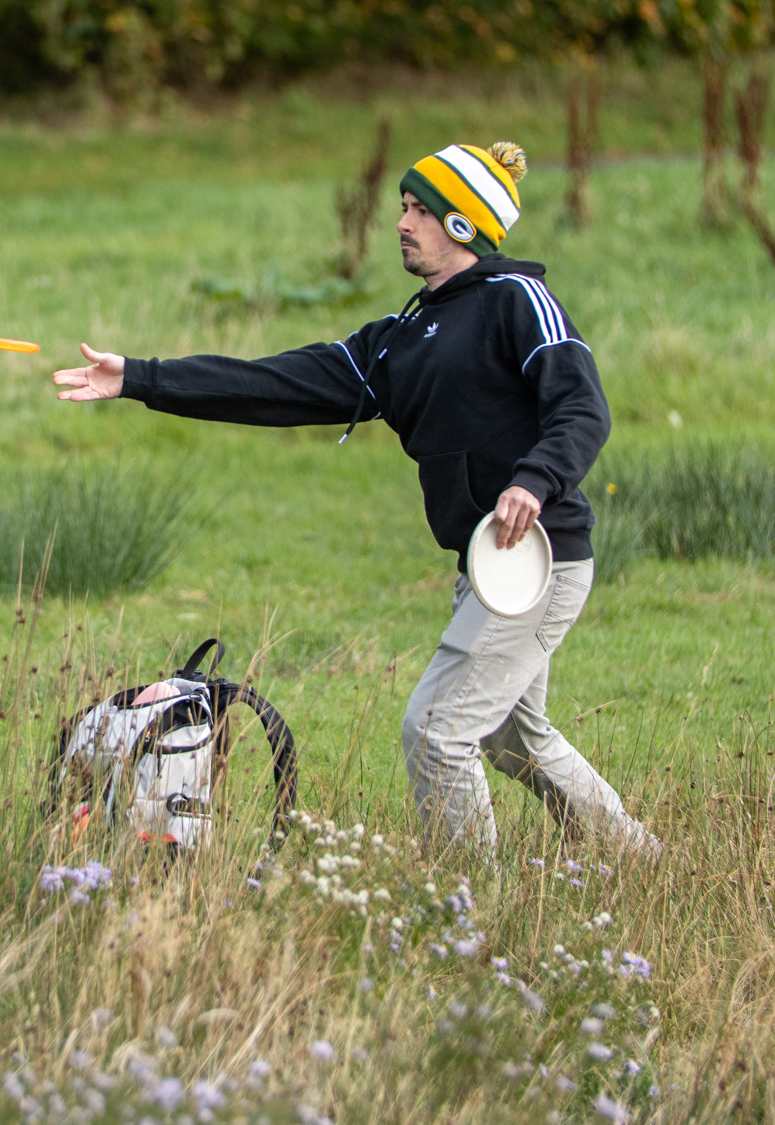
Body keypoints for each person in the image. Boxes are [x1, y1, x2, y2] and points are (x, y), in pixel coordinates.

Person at [52, 140, 657, 858]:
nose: (402, 222)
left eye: (422, 211)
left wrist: (533, 479)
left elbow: (582, 409)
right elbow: (273, 384)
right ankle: (635, 860)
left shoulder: (517, 301)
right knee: (509, 736)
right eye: (403, 206)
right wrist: (142, 378)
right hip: (483, 569)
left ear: (464, 225)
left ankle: (463, 910)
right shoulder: (397, 340)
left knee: (438, 729)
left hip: (536, 560)